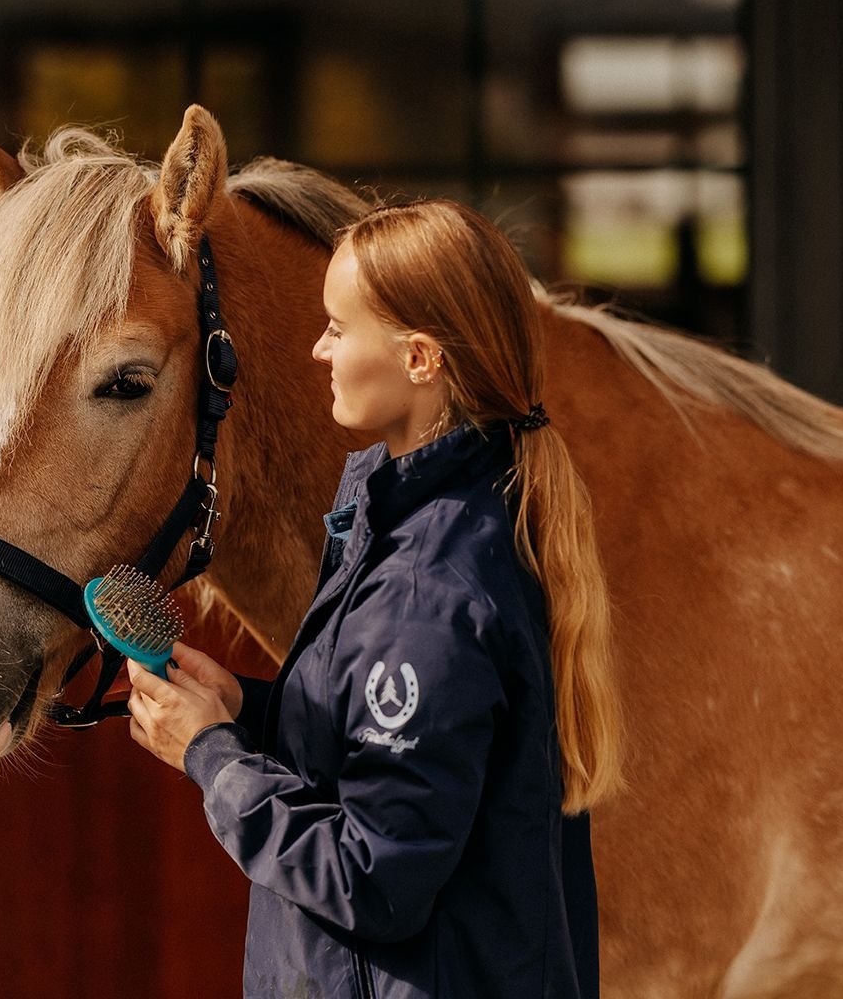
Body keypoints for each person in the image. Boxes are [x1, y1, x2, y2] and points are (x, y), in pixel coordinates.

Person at [124, 198, 627, 998]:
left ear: (421, 358)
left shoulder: (430, 588)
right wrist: (248, 710)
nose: (318, 347)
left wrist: (212, 756)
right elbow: (395, 744)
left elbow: (373, 876)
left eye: (338, 326)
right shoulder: (412, 526)